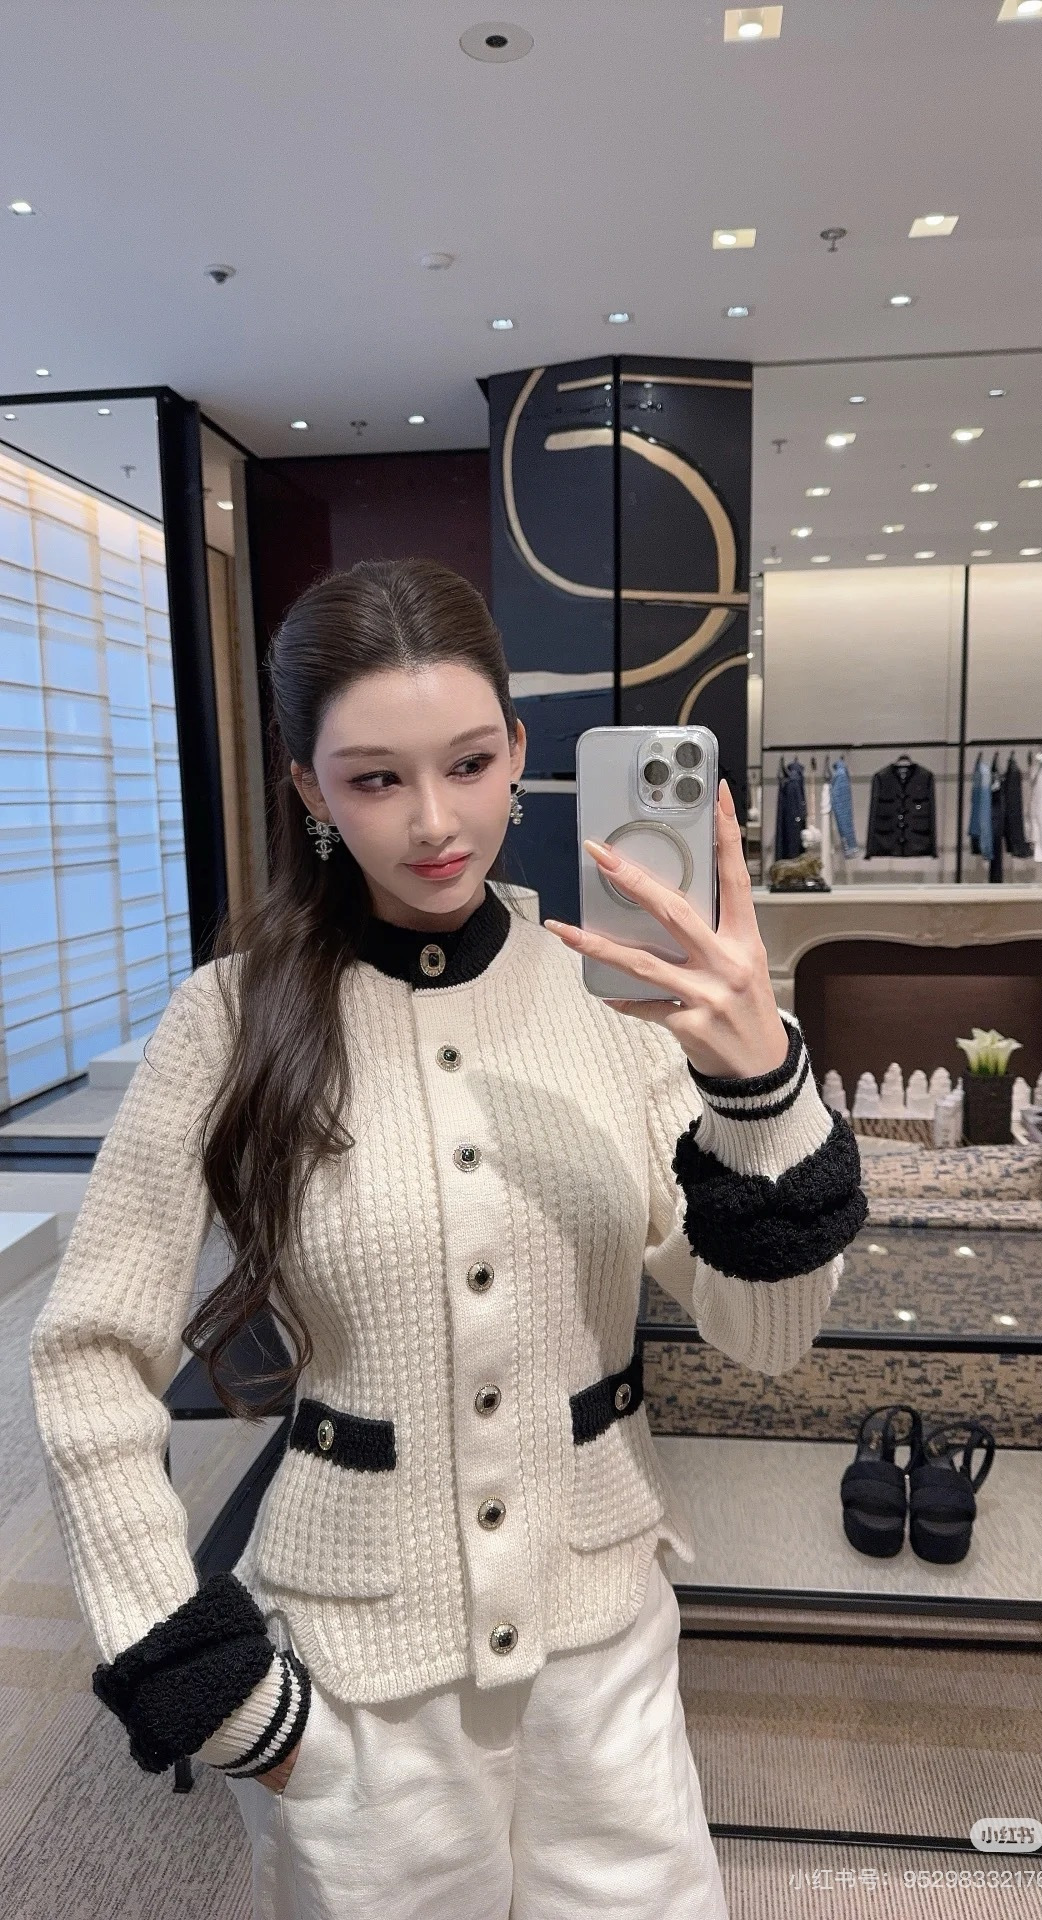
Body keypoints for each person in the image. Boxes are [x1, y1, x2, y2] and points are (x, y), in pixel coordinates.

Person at [30, 558, 867, 1919]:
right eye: (374, 779)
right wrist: (197, 1664)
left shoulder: (621, 1001)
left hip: (606, 1655)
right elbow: (85, 1350)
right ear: (307, 788)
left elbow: (767, 1336)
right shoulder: (226, 1021)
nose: (435, 822)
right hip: (354, 1695)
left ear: (521, 753)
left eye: (470, 763)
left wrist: (762, 1089)